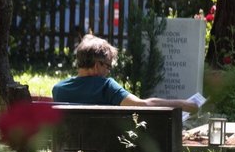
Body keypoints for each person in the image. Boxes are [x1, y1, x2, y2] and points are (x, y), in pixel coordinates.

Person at [52, 34, 199, 113]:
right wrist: (183, 104)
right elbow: (142, 105)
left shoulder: (58, 89)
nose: (108, 72)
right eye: (108, 67)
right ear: (97, 65)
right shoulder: (106, 86)